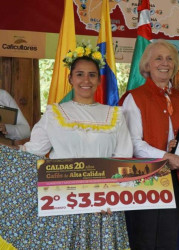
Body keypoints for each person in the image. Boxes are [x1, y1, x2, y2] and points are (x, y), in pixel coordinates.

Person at [0, 43, 133, 249]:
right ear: (70, 79)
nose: (85, 80)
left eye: (91, 75)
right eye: (79, 74)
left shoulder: (116, 115)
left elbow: (123, 158)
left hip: (103, 202)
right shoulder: (55, 113)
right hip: (64, 200)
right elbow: (32, 151)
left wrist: (115, 198)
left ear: (99, 79)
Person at [122, 39, 179, 250]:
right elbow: (132, 143)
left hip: (175, 179)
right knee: (143, 240)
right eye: (158, 58)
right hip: (144, 178)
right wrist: (166, 155)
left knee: (168, 241)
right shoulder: (134, 98)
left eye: (170, 58)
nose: (165, 63)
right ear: (147, 65)